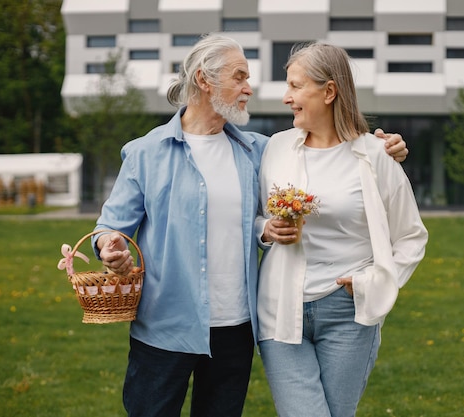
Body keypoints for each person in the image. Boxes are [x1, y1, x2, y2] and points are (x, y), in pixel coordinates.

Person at [92, 34, 409, 417]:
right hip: (165, 326)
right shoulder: (145, 153)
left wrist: (383, 145)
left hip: (236, 329)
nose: (249, 88)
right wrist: (110, 245)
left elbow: (315, 164)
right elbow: (111, 228)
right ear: (203, 81)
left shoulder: (260, 150)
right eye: (239, 77)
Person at [256, 42, 429, 417]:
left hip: (348, 312)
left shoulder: (377, 156)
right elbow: (252, 216)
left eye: (296, 86)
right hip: (280, 309)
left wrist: (376, 281)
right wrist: (266, 229)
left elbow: (411, 237)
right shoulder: (275, 148)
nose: (286, 98)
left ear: (329, 91)